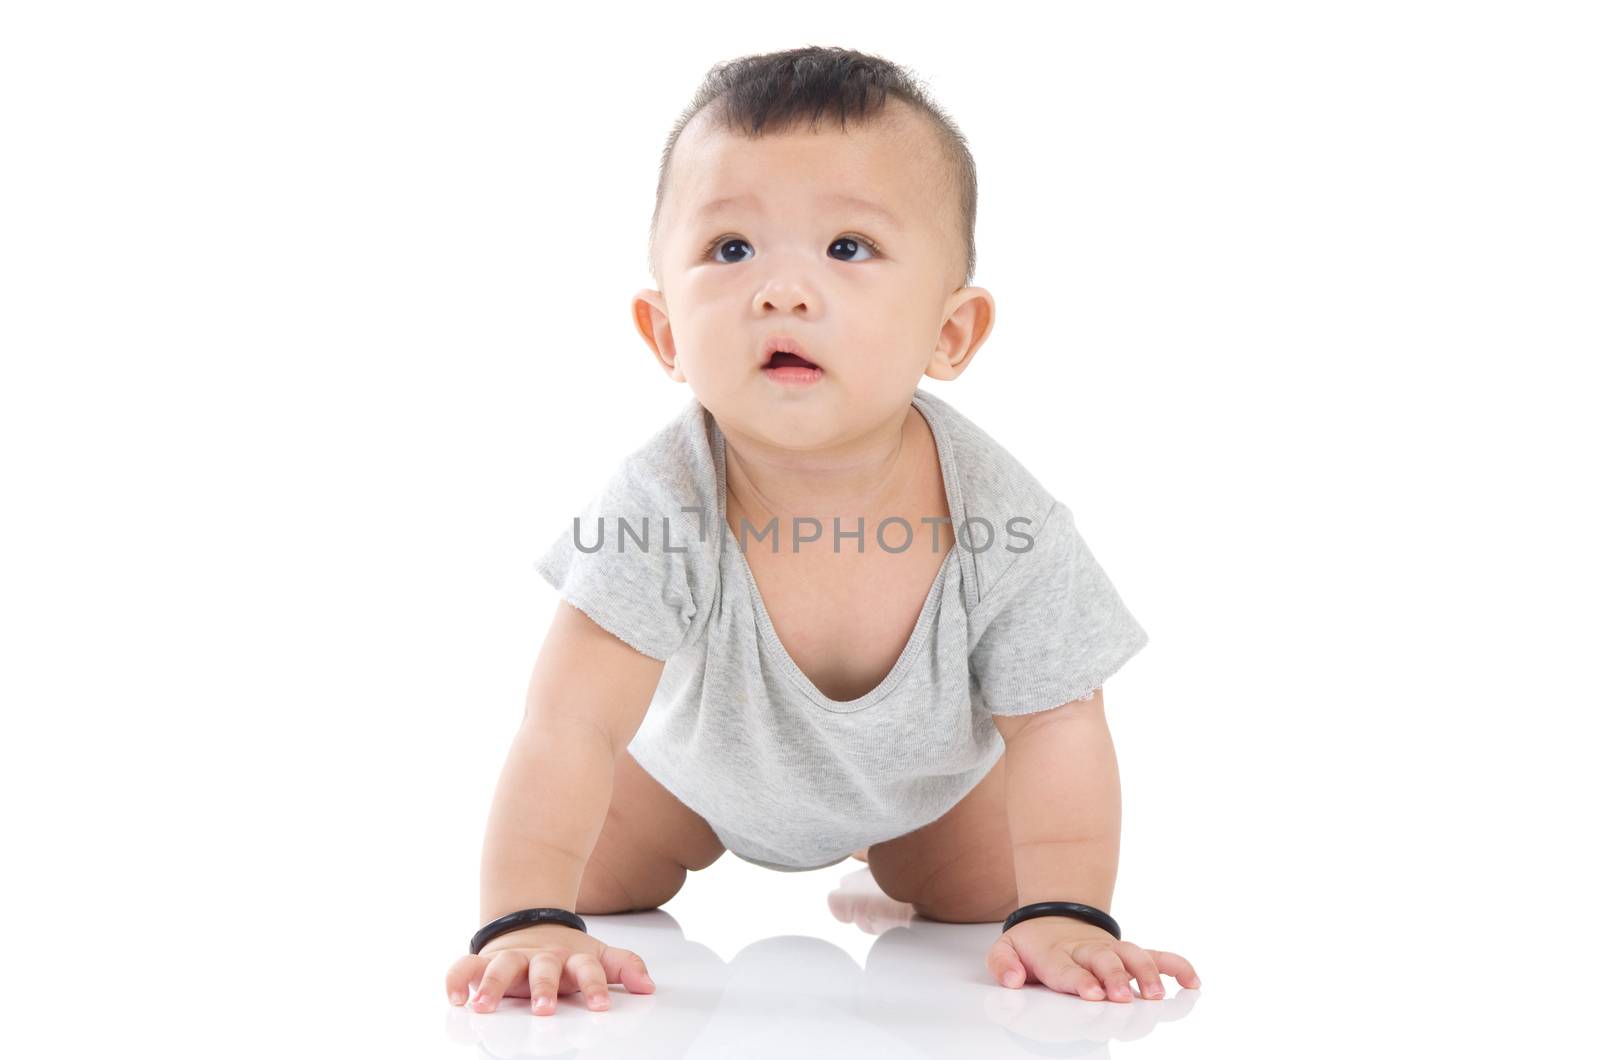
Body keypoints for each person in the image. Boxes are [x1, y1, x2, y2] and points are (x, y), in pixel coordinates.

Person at [444, 45, 1200, 1017]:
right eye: (730, 250)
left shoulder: (1003, 522)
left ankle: (898, 865)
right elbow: (570, 724)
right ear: (665, 333)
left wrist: (1070, 908)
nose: (782, 291)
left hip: (921, 788)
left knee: (988, 898)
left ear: (950, 334)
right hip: (687, 779)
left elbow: (1057, 718)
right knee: (586, 883)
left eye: (846, 248)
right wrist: (524, 916)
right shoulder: (657, 507)